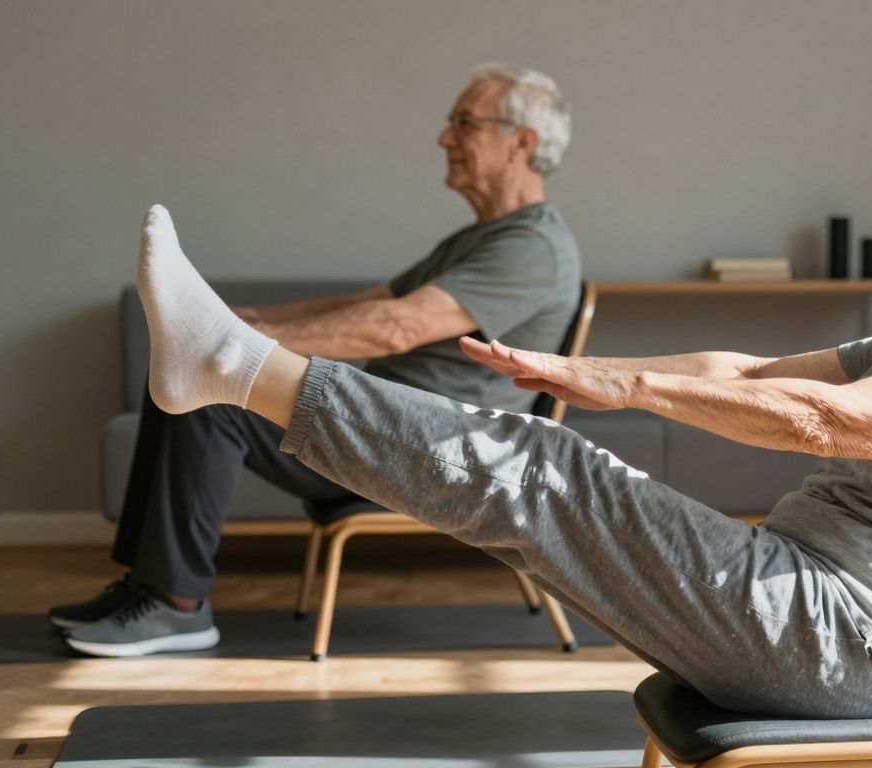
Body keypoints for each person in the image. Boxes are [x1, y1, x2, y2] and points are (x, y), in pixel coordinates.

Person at [115, 77, 872, 716]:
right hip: (801, 604)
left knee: (541, 471)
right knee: (537, 478)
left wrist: (625, 383)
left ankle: (234, 367)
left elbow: (824, 423)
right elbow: (753, 375)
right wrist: (587, 378)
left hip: (842, 643)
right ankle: (230, 369)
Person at [52, 63, 581, 657]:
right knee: (182, 369)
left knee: (211, 390)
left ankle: (177, 606)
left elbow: (395, 326)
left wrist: (238, 344)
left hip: (431, 454)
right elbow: (370, 301)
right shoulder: (485, 237)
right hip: (386, 427)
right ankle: (145, 586)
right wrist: (247, 322)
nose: (444, 138)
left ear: (523, 143)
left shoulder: (532, 248)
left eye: (464, 123)